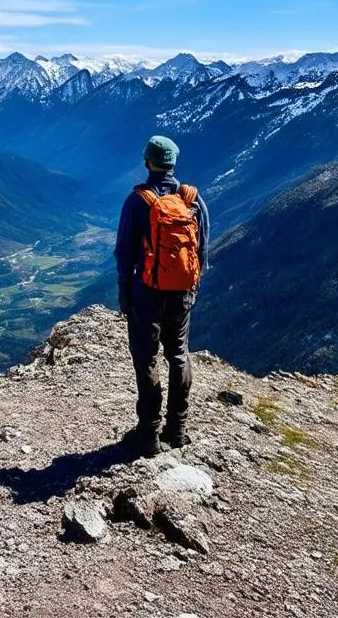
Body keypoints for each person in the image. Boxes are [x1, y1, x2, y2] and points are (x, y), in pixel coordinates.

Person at [114, 134, 210, 456]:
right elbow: (202, 251)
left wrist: (124, 290)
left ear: (147, 162)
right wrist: (190, 288)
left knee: (146, 357)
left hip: (147, 292)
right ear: (173, 163)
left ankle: (149, 433)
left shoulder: (138, 202)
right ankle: (177, 429)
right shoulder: (193, 200)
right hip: (183, 291)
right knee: (179, 354)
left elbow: (124, 253)